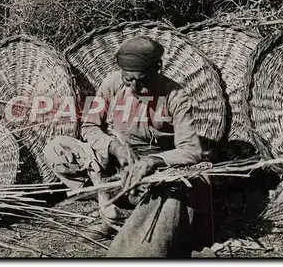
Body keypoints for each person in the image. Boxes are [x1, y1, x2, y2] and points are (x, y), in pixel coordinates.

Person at [43, 37, 213, 257]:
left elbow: (191, 150)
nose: (134, 87)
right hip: (118, 159)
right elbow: (89, 126)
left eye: (141, 80)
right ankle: (113, 208)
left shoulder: (175, 96)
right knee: (57, 149)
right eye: (128, 80)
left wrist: (153, 162)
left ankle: (132, 218)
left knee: (180, 189)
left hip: (155, 170)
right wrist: (114, 147)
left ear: (156, 69)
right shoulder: (112, 84)